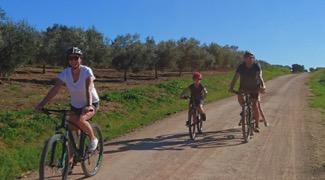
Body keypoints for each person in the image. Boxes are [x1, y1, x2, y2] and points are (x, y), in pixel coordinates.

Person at [35, 47, 100, 151]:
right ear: (68, 60)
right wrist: (41, 104)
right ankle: (69, 162)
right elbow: (55, 89)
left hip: (91, 102)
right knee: (72, 131)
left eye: (76, 58)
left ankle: (93, 139)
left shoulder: (86, 71)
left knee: (80, 120)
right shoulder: (65, 73)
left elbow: (89, 88)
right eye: (71, 58)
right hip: (75, 105)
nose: (73, 60)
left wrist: (89, 105)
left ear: (80, 59)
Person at [229, 51, 266, 132]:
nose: (251, 59)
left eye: (252, 58)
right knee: (239, 96)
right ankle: (244, 108)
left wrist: (263, 86)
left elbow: (260, 77)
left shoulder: (256, 66)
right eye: (249, 57)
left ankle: (256, 125)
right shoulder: (241, 67)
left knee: (255, 106)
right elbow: (235, 77)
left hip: (254, 88)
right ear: (245, 59)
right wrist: (231, 87)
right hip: (243, 87)